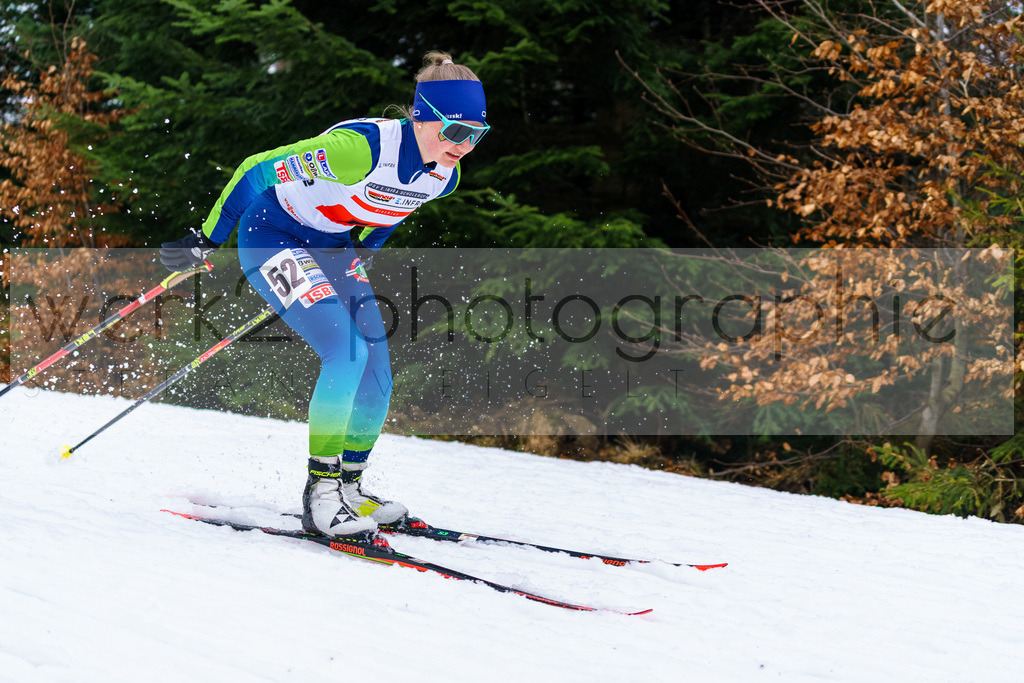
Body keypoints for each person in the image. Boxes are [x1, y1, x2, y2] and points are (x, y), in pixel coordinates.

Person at [159, 51, 489, 538]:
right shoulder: (355, 150)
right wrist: (208, 237)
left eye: (477, 134)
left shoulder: (445, 175)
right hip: (272, 234)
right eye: (455, 131)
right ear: (422, 117)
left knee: (377, 365)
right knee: (347, 352)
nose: (463, 145)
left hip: (333, 247)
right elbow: (254, 170)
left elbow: (392, 208)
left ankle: (352, 487)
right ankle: (321, 494)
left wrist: (366, 250)